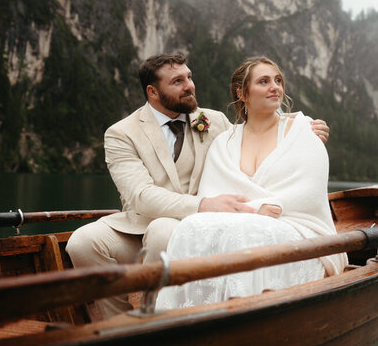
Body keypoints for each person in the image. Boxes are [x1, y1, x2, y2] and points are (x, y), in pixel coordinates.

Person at [65, 53, 329, 319]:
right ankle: (116, 325)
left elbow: (258, 125)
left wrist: (305, 126)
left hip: (198, 225)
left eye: (189, 77)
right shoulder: (121, 133)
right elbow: (140, 196)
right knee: (81, 243)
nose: (189, 85)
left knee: (162, 231)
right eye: (177, 81)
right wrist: (202, 204)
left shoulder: (213, 122)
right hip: (140, 222)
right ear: (153, 91)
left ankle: (158, 321)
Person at [156, 57, 346, 309]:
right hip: (243, 220)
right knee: (189, 226)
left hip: (295, 224)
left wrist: (264, 209)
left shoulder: (304, 131)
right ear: (242, 93)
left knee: (245, 234)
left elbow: (309, 193)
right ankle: (183, 315)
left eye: (278, 81)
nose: (274, 87)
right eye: (264, 81)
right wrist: (256, 210)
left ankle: (243, 315)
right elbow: (213, 194)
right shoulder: (225, 142)